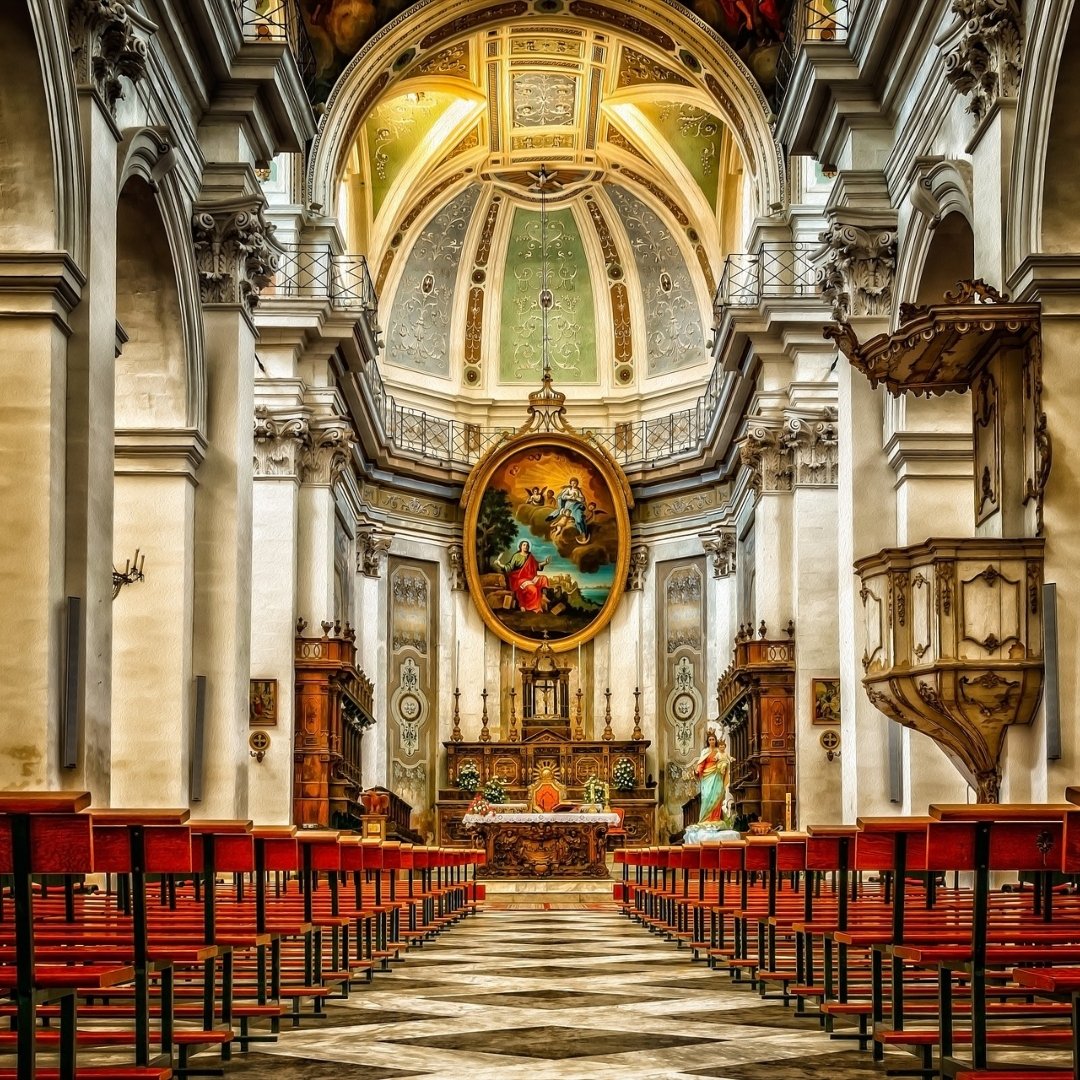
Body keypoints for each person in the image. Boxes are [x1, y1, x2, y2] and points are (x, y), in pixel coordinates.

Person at [695, 730, 732, 824]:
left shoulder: (719, 751)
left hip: (718, 774)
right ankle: (705, 819)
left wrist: (724, 766)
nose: (712, 741)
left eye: (713, 739)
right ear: (708, 741)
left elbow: (724, 760)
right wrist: (697, 771)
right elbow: (701, 764)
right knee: (707, 796)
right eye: (710, 739)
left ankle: (715, 818)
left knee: (717, 795)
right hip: (707, 777)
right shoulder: (705, 751)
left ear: (715, 740)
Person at [503, 540, 551, 613]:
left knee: (544, 578)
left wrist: (545, 562)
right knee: (533, 589)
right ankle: (532, 607)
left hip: (530, 577)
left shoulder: (530, 556)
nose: (526, 546)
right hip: (520, 578)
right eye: (524, 545)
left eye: (527, 545)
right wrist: (500, 564)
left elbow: (537, 566)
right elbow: (510, 567)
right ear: (520, 546)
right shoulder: (516, 556)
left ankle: (543, 596)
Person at [547, 477, 590, 542]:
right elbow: (563, 496)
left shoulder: (578, 491)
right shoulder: (568, 489)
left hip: (576, 506)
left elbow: (582, 499)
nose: (573, 484)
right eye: (572, 483)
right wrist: (570, 497)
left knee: (579, 520)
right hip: (568, 507)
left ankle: (583, 534)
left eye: (575, 483)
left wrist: (576, 498)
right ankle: (556, 531)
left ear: (577, 484)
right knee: (562, 519)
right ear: (570, 483)